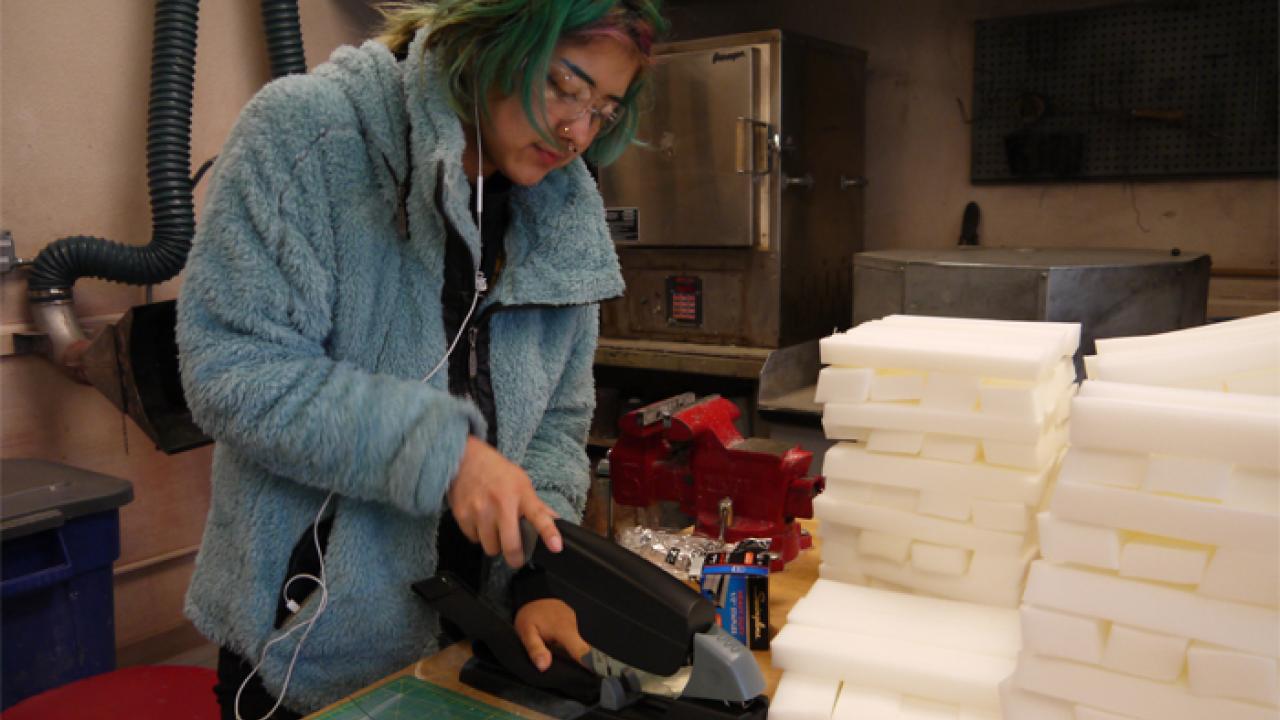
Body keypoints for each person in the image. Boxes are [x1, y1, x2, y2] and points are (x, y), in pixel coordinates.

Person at [175, 1, 667, 717]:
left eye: (605, 109)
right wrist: (443, 455)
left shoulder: (562, 207)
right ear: (495, 39)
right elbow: (234, 371)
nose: (577, 131)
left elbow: (560, 419)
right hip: (306, 660)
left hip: (470, 656)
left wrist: (540, 581)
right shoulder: (309, 134)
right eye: (565, 85)